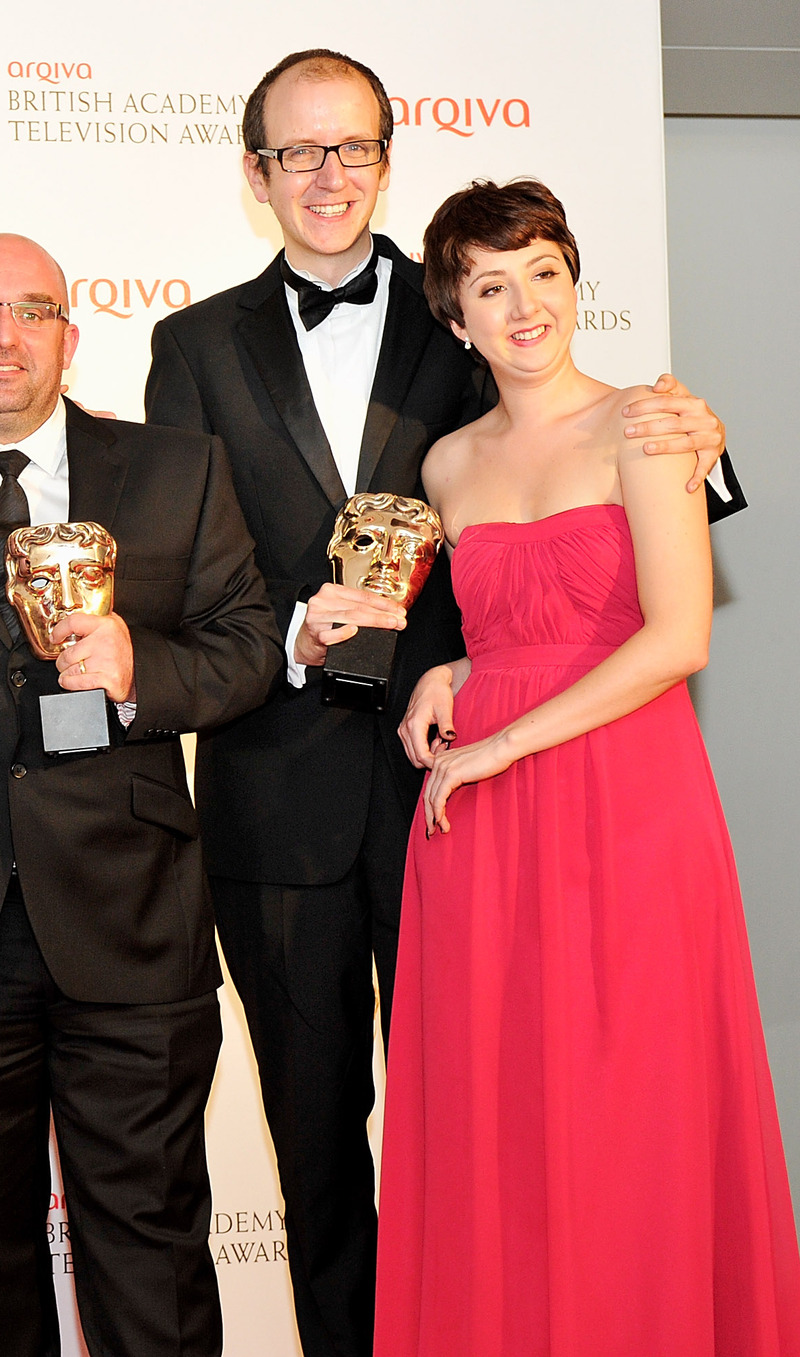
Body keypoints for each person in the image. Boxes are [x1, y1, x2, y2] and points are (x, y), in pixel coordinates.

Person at [140, 49, 740, 1357]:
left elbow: (603, 502)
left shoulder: (463, 301)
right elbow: (175, 574)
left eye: (351, 147)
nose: (326, 175)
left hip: (479, 801)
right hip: (277, 794)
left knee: (515, 1121)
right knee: (317, 1143)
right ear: (255, 173)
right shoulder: (188, 350)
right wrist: (295, 636)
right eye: (297, 152)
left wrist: (708, 438)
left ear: (385, 159)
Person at [0, 234, 277, 1357]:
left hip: (132, 927)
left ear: (69, 338)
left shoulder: (179, 467)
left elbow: (249, 648)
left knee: (149, 1245)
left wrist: (140, 669)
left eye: (30, 311)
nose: (1, 334)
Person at [374, 178, 800, 1356]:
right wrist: (448, 675)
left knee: (628, 1100)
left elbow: (673, 638)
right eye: (490, 287)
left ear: (575, 282)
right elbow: (506, 627)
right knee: (495, 1113)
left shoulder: (648, 423)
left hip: (619, 795)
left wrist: (500, 740)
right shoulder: (446, 467)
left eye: (544, 275)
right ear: (454, 321)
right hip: (478, 826)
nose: (524, 308)